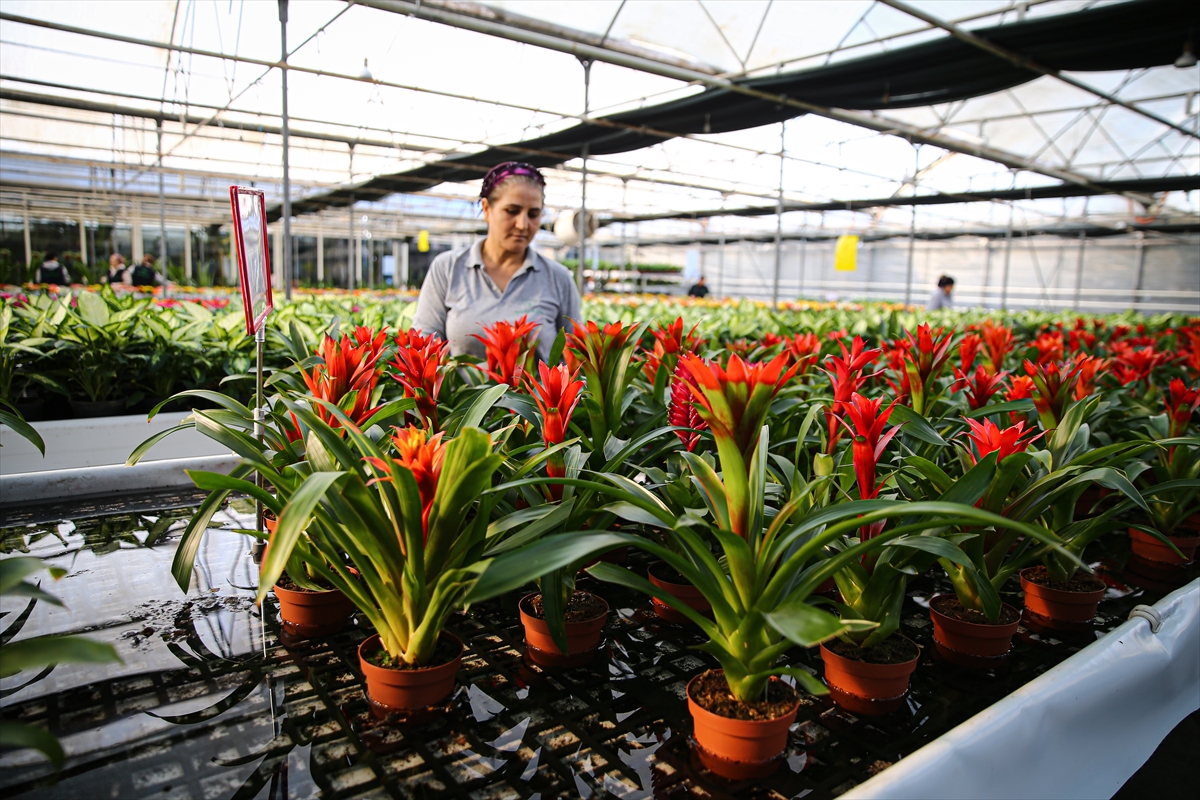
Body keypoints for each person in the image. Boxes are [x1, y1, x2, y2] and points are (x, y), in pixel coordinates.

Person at [411, 161, 580, 363]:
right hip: (460, 395)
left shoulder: (558, 277)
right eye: (512, 211)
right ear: (486, 209)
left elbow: (574, 353)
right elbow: (424, 343)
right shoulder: (447, 268)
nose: (522, 224)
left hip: (534, 395)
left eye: (533, 214)